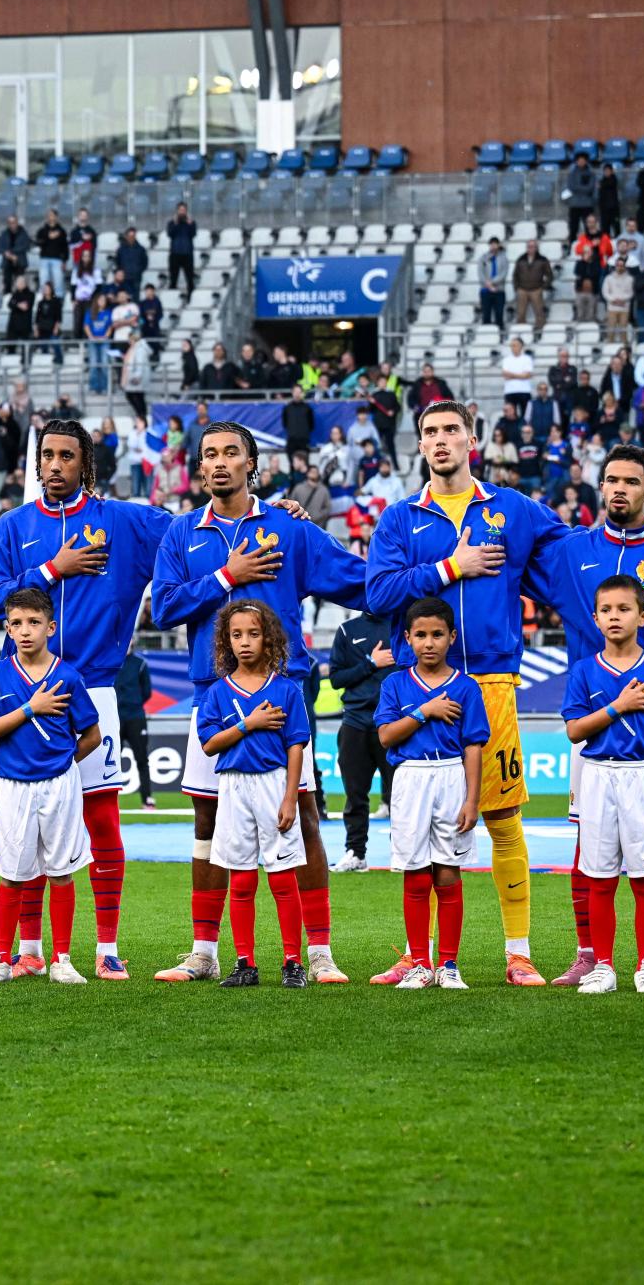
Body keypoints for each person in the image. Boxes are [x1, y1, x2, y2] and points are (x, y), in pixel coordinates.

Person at [149, 424, 367, 986]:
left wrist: (440, 581)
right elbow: (165, 608)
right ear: (200, 469)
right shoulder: (180, 533)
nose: (218, 463)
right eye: (209, 455)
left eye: (230, 453)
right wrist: (228, 575)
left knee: (306, 819)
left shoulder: (289, 529)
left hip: (283, 695)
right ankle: (205, 951)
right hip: (212, 696)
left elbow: (361, 582)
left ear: (254, 464)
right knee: (208, 821)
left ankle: (317, 952)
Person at [365, 400, 568, 986]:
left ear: (472, 439)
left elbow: (580, 552)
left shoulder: (513, 510)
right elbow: (378, 594)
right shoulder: (401, 519)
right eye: (429, 432)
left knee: (502, 817)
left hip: (490, 681)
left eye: (451, 430)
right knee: (420, 831)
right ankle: (419, 955)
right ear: (420, 445)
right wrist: (451, 567)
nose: (440, 440)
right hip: (415, 684)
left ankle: (518, 953)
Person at [0, 420, 172, 978]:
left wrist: (272, 512)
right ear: (36, 463)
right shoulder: (13, 527)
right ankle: (32, 952)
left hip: (97, 689)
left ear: (85, 463)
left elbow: (194, 531)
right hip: (21, 687)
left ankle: (105, 948)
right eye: (47, 455)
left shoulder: (124, 521)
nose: (54, 465)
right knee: (31, 828)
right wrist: (51, 568)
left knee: (102, 822)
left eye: (66, 456)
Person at [526, 445, 644, 989]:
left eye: (630, 482)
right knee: (589, 842)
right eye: (610, 479)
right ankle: (589, 955)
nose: (617, 489)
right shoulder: (572, 551)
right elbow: (513, 534)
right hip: (596, 725)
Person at [0, 587, 101, 986]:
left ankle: (61, 958)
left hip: (59, 784)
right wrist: (30, 709)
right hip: (14, 786)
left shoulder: (67, 675)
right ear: (7, 629)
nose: (25, 631)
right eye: (17, 624)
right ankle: (1, 959)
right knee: (12, 873)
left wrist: (63, 763)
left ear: (50, 626)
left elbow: (91, 735)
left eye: (34, 623)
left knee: (61, 872)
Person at [561, 575, 644, 996]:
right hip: (596, 776)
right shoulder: (583, 671)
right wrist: (618, 706)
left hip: (643, 776)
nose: (615, 616)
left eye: (624, 609)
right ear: (595, 619)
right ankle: (604, 967)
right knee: (599, 877)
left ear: (642, 617)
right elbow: (575, 731)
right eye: (606, 610)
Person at [192, 599, 313, 989]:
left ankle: (293, 963)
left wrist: (290, 797)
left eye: (254, 634)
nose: (245, 642)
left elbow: (296, 745)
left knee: (282, 877)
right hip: (233, 787)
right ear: (226, 641)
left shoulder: (287, 689)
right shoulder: (216, 693)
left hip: (274, 783)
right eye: (236, 634)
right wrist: (249, 723)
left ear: (270, 638)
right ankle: (245, 962)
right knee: (241, 879)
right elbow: (210, 744)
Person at [371, 598, 488, 990]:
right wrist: (425, 711)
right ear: (407, 638)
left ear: (451, 637)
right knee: (416, 874)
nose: (429, 642)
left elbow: (474, 745)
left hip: (452, 777)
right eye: (420, 635)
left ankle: (449, 965)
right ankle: (420, 962)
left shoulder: (467, 687)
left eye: (438, 634)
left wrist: (472, 800)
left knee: (448, 872)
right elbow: (386, 736)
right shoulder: (395, 684)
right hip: (411, 779)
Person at [326, 610, 397, 872]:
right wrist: (370, 662)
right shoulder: (347, 630)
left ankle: (402, 853)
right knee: (355, 795)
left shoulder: (401, 624)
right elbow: (335, 679)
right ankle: (356, 853)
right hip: (355, 722)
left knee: (401, 796)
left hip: (393, 724)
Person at [114, 651, 155, 810]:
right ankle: (112, 802)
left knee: (142, 760)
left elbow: (147, 691)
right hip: (115, 718)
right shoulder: (111, 660)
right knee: (112, 763)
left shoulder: (140, 663)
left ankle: (147, 799)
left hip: (135, 718)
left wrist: (134, 704)